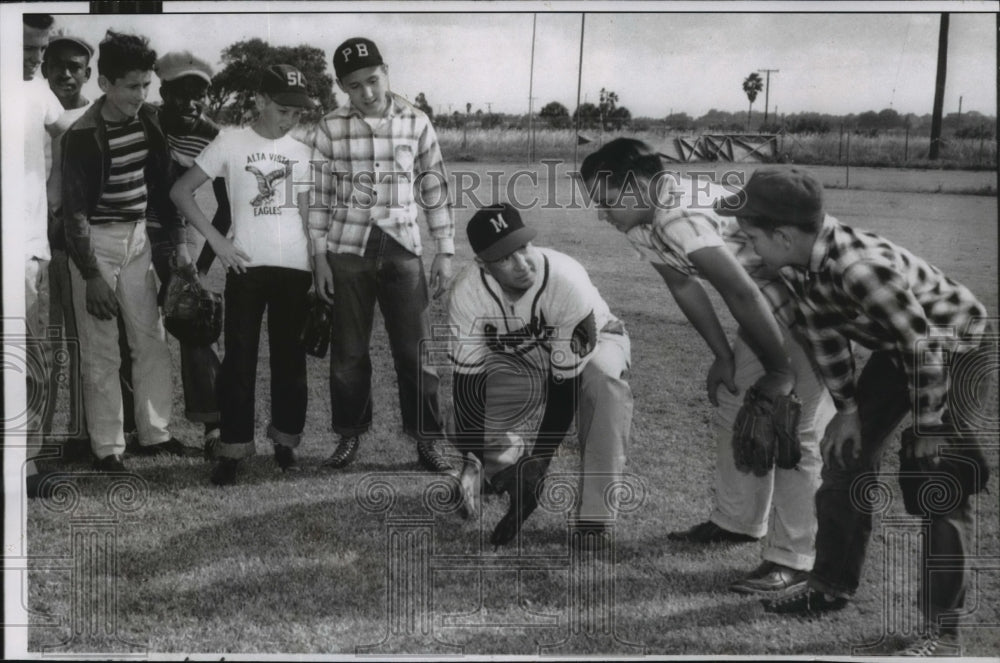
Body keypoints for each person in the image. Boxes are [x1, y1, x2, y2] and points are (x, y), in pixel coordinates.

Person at [722, 167, 993, 656]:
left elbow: (924, 345)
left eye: (752, 235)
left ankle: (942, 633)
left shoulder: (857, 267)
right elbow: (826, 338)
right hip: (899, 350)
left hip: (954, 347)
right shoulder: (794, 261)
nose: (747, 245)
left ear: (783, 235)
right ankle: (829, 585)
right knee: (845, 457)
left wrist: (929, 425)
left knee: (938, 480)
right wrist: (846, 409)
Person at [580, 139, 835, 594]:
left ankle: (797, 559)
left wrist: (779, 371)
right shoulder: (643, 221)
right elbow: (684, 285)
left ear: (638, 185)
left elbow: (740, 291)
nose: (602, 213)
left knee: (791, 427)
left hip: (818, 301)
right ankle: (738, 521)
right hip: (772, 303)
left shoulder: (677, 214)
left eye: (607, 200)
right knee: (737, 397)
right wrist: (723, 355)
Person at [305, 37, 455, 473]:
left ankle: (427, 440)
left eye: (372, 80)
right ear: (341, 86)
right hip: (347, 251)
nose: (366, 93)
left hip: (402, 250)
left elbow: (435, 188)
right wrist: (319, 260)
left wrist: (445, 249)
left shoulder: (416, 121)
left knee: (415, 351)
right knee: (349, 353)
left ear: (386, 71)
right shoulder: (330, 126)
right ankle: (349, 437)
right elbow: (317, 196)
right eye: (354, 86)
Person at [448, 203, 634, 545]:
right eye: (505, 257)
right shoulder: (468, 293)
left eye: (523, 247)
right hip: (528, 361)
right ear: (482, 265)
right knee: (460, 421)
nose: (522, 264)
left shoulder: (565, 279)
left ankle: (595, 517)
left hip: (596, 344)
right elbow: (467, 384)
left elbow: (565, 388)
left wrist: (542, 460)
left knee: (604, 388)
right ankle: (505, 464)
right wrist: (471, 458)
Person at [170, 64, 315, 486]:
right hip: (244, 267)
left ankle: (286, 444)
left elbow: (308, 216)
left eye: (297, 111)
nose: (291, 118)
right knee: (239, 360)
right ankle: (232, 449)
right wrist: (217, 241)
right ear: (260, 101)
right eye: (283, 108)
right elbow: (180, 192)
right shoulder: (230, 141)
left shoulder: (303, 152)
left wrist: (320, 265)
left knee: (291, 361)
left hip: (295, 268)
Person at [61, 30, 188, 473]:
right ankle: (108, 448)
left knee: (150, 338)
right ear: (105, 84)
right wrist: (92, 273)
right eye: (132, 86)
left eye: (146, 86)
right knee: (102, 350)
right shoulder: (80, 135)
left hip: (137, 238)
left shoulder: (150, 121)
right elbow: (73, 214)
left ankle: (155, 435)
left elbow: (167, 188)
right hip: (94, 243)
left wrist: (180, 246)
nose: (141, 95)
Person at [150, 50, 233, 455]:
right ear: (162, 91)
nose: (190, 102)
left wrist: (198, 268)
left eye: (199, 93)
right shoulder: (144, 120)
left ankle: (214, 427)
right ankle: (139, 425)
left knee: (195, 324)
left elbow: (227, 208)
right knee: (136, 331)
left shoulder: (213, 134)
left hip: (183, 239)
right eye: (181, 92)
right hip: (132, 232)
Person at [42, 31, 95, 451]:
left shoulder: (96, 117)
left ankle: (80, 432)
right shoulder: (25, 112)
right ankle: (35, 438)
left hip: (76, 246)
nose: (65, 73)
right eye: (57, 64)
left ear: (88, 73)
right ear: (43, 67)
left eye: (74, 66)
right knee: (42, 343)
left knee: (80, 342)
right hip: (31, 244)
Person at [23, 13, 65, 497]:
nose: (36, 59)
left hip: (32, 251)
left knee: (32, 359)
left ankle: (28, 464)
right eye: (26, 50)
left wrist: (52, 190)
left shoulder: (38, 93)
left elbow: (64, 129)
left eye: (40, 49)